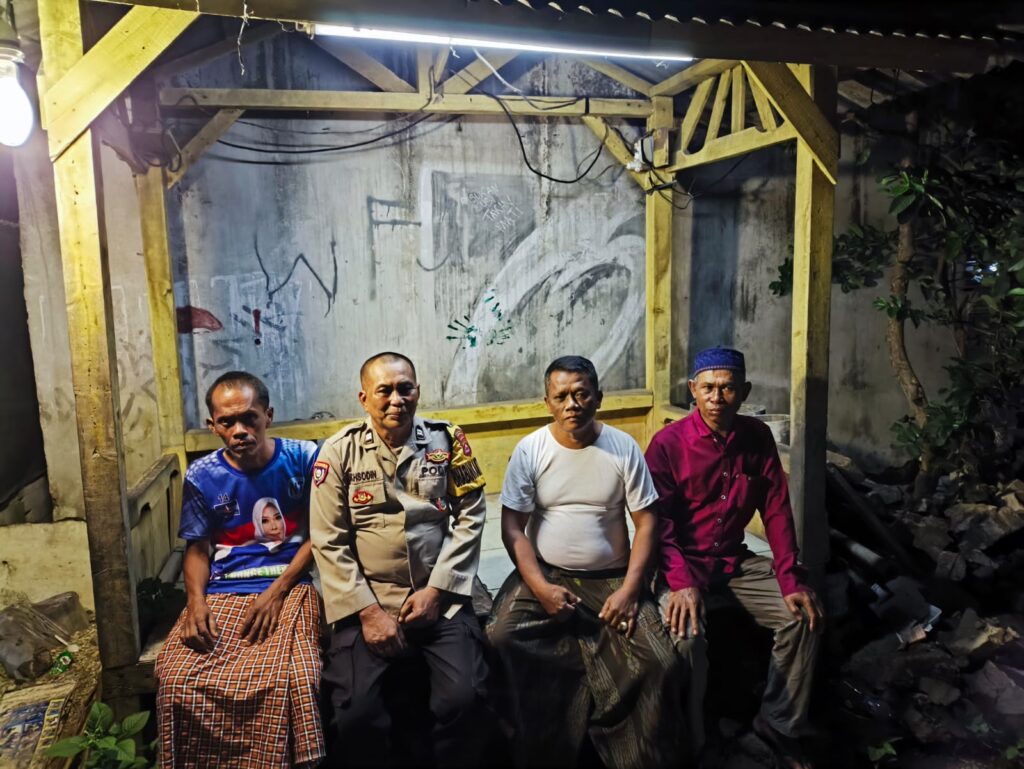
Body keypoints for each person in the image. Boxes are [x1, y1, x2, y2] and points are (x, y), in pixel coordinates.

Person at [486, 356, 686, 769]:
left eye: (581, 394)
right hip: (547, 574)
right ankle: (542, 740)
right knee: (501, 635)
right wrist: (540, 588)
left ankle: (628, 751)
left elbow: (647, 523)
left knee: (659, 661)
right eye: (561, 396)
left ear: (599, 397)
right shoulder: (531, 450)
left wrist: (631, 590)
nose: (571, 404)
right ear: (547, 402)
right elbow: (512, 529)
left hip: (612, 577)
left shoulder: (622, 447)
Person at [645, 347, 825, 769]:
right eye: (708, 388)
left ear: (744, 392)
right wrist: (680, 583)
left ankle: (778, 724)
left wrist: (790, 577)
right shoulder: (667, 445)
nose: (716, 398)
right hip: (682, 564)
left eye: (727, 388)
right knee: (687, 639)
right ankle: (694, 739)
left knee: (802, 616)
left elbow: (776, 510)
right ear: (693, 390)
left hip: (732, 561)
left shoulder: (756, 437)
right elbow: (658, 524)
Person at [311, 352, 489, 768]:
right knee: (355, 714)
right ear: (364, 398)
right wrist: (369, 612)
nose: (397, 399)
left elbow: (471, 516)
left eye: (405, 389)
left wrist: (438, 590)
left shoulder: (448, 441)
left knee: (466, 698)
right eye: (384, 391)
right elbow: (328, 540)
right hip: (367, 599)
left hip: (438, 594)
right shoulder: (337, 452)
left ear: (417, 391)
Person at [155, 371, 324, 769]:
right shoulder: (203, 476)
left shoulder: (304, 458)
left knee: (297, 677)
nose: (240, 430)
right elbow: (198, 547)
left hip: (290, 583)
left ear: (269, 415)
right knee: (174, 675)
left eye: (250, 418)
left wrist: (276, 591)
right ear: (213, 425)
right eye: (227, 422)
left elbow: (321, 534)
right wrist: (195, 603)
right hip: (223, 588)